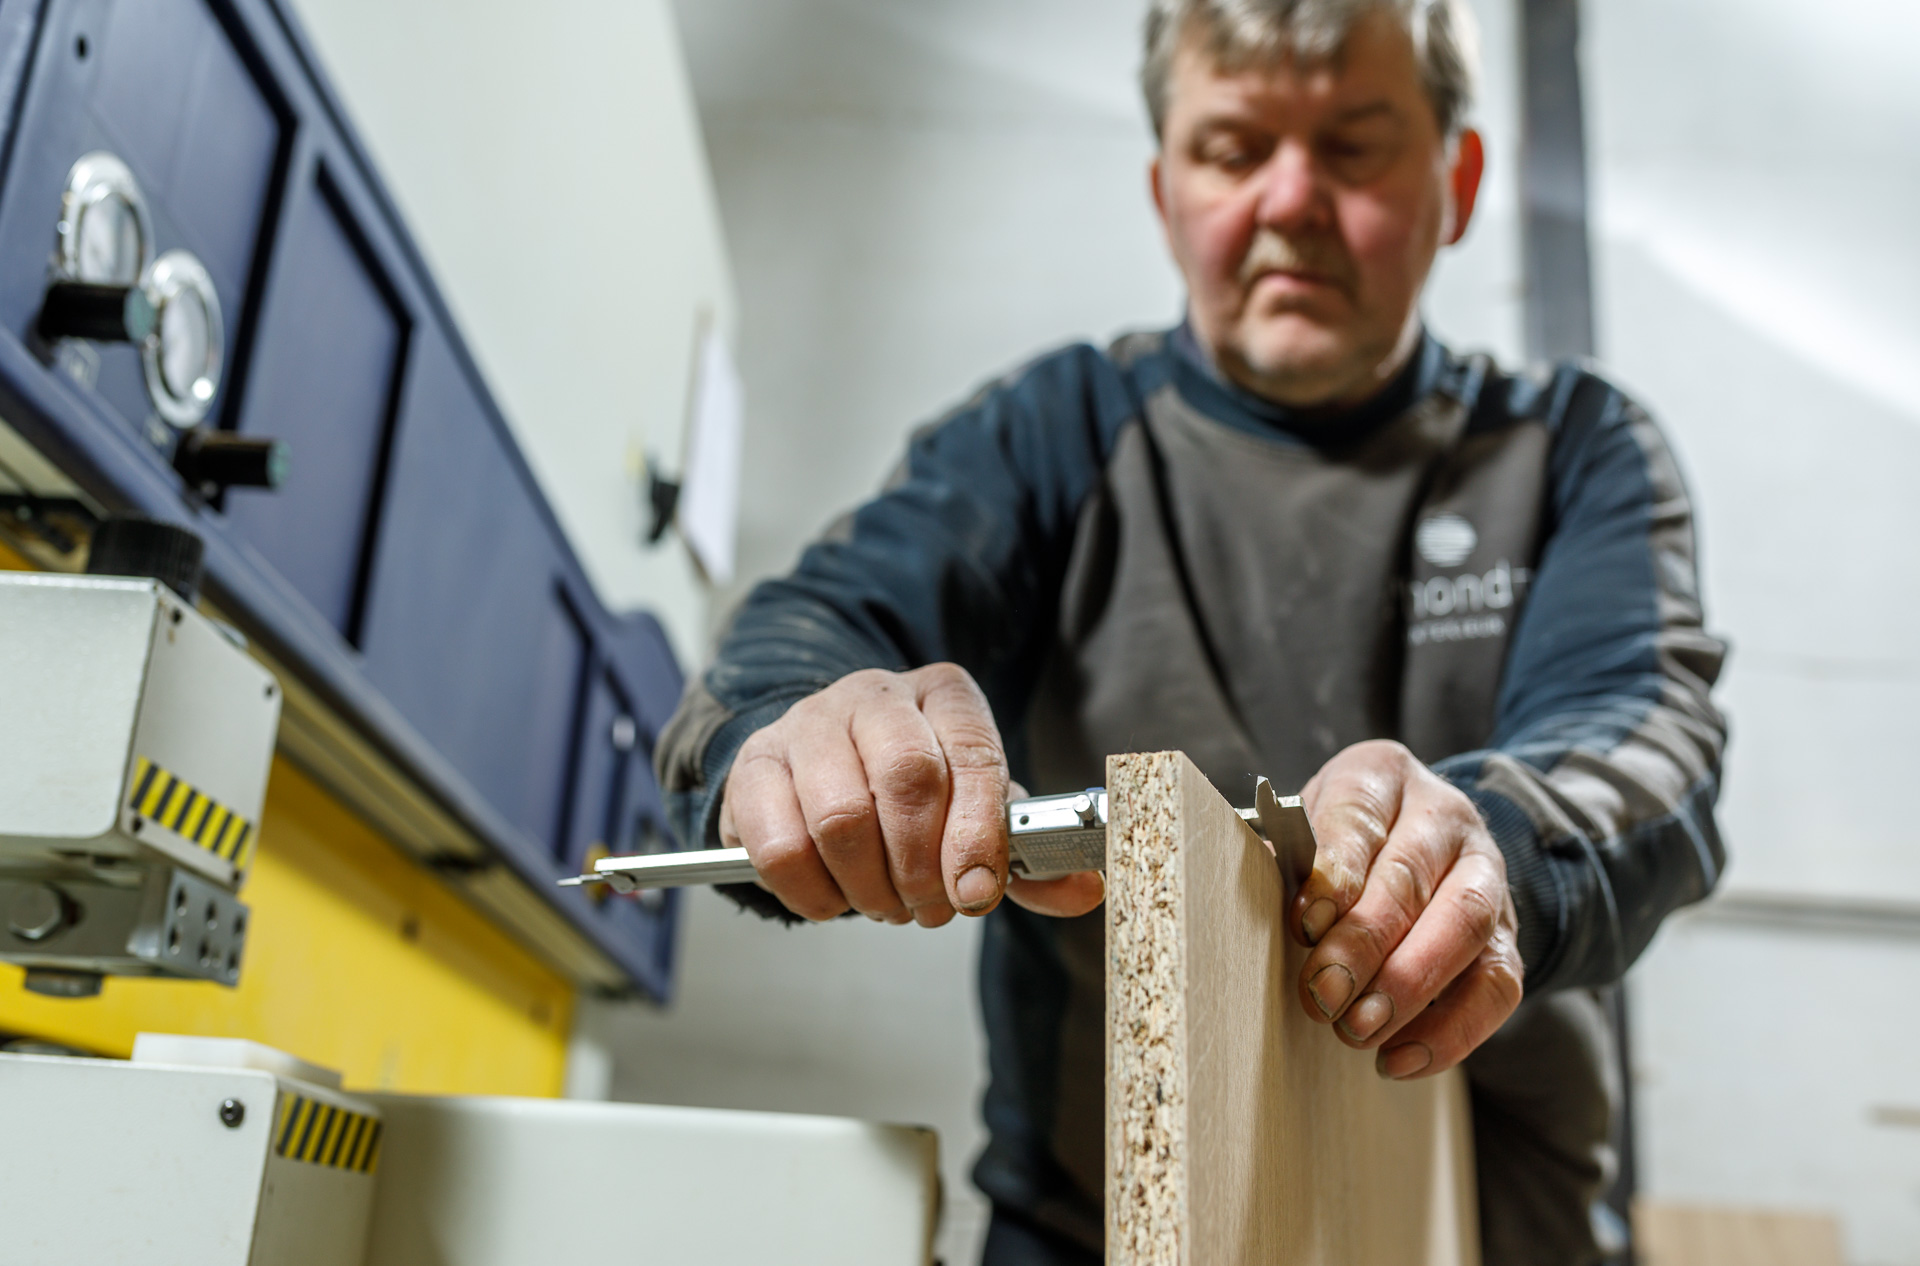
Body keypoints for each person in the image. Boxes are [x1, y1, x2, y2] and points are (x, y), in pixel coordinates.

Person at [656, 1, 1728, 1262]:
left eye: (1356, 146)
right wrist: (801, 733)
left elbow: (1650, 744)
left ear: (1460, 178)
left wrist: (1488, 844)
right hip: (1094, 1224)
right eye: (1233, 151)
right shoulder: (1050, 437)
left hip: (1494, 1229)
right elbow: (799, 639)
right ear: (1167, 191)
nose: (1290, 200)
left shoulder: (1571, 450)